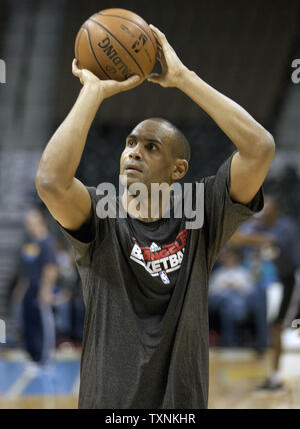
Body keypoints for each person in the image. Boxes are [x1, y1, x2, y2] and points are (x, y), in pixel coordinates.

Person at [35, 25, 274, 408]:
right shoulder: (100, 214)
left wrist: (184, 79)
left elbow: (260, 148)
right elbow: (49, 181)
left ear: (178, 170)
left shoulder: (203, 212)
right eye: (130, 143)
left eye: (150, 147)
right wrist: (92, 93)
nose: (133, 152)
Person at [230, 195, 300, 389]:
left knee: (281, 327)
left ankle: (276, 376)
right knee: (277, 328)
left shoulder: (285, 226)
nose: (262, 209)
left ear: (275, 209)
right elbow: (236, 240)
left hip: (296, 279)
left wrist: (248, 225)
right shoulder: (261, 228)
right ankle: (276, 378)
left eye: (266, 206)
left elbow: (265, 240)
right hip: (286, 282)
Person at [12, 208, 58, 371]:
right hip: (29, 288)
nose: (29, 225)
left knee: (42, 324)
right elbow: (26, 269)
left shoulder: (47, 243)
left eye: (32, 222)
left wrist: (46, 290)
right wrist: (22, 287)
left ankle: (44, 358)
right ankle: (33, 357)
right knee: (29, 323)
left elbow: (51, 269)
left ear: (40, 221)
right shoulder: (29, 244)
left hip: (40, 287)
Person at [209, 247, 255, 347]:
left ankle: (229, 339)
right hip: (220, 300)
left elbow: (249, 290)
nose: (228, 260)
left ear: (236, 259)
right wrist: (224, 286)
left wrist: (236, 286)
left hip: (236, 300)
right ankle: (232, 337)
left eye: (231, 258)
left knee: (229, 306)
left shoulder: (243, 273)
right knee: (229, 300)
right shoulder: (219, 273)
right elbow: (211, 290)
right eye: (227, 258)